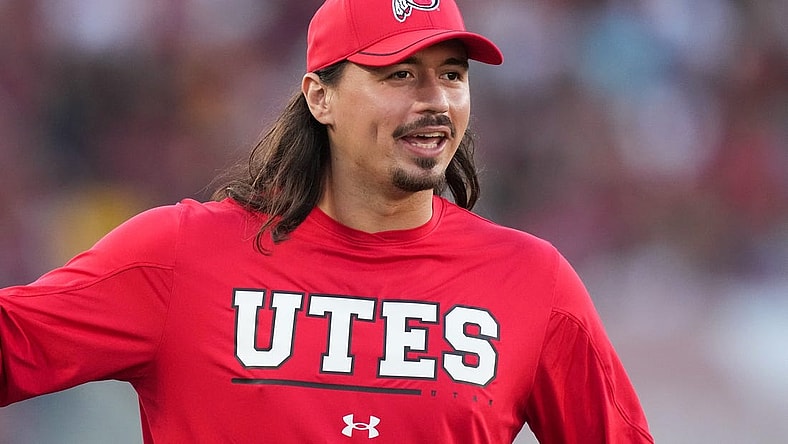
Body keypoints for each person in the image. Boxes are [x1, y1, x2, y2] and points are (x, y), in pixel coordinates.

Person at [0, 0, 654, 442]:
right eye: (399, 74)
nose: (434, 101)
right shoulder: (181, 256)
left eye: (450, 75)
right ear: (320, 97)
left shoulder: (533, 284)